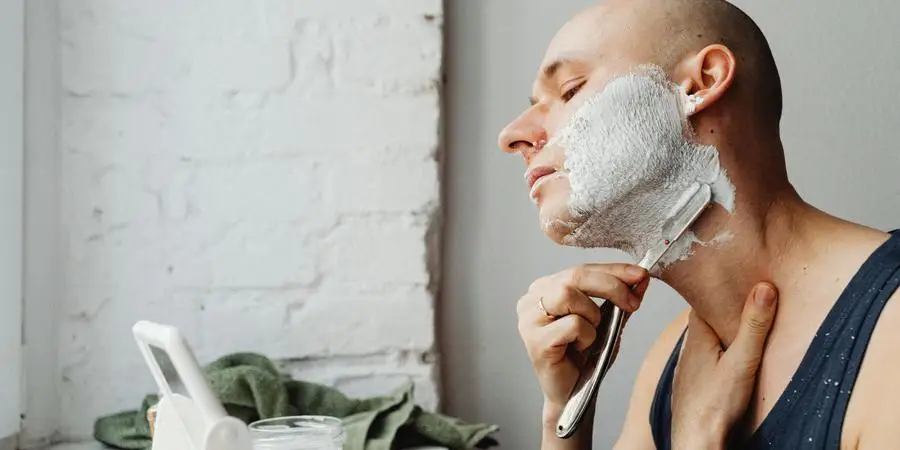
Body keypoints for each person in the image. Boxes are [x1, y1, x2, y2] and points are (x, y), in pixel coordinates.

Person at [498, 0, 900, 449]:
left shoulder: (892, 336)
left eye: (570, 89)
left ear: (700, 83)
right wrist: (565, 412)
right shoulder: (676, 369)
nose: (512, 135)